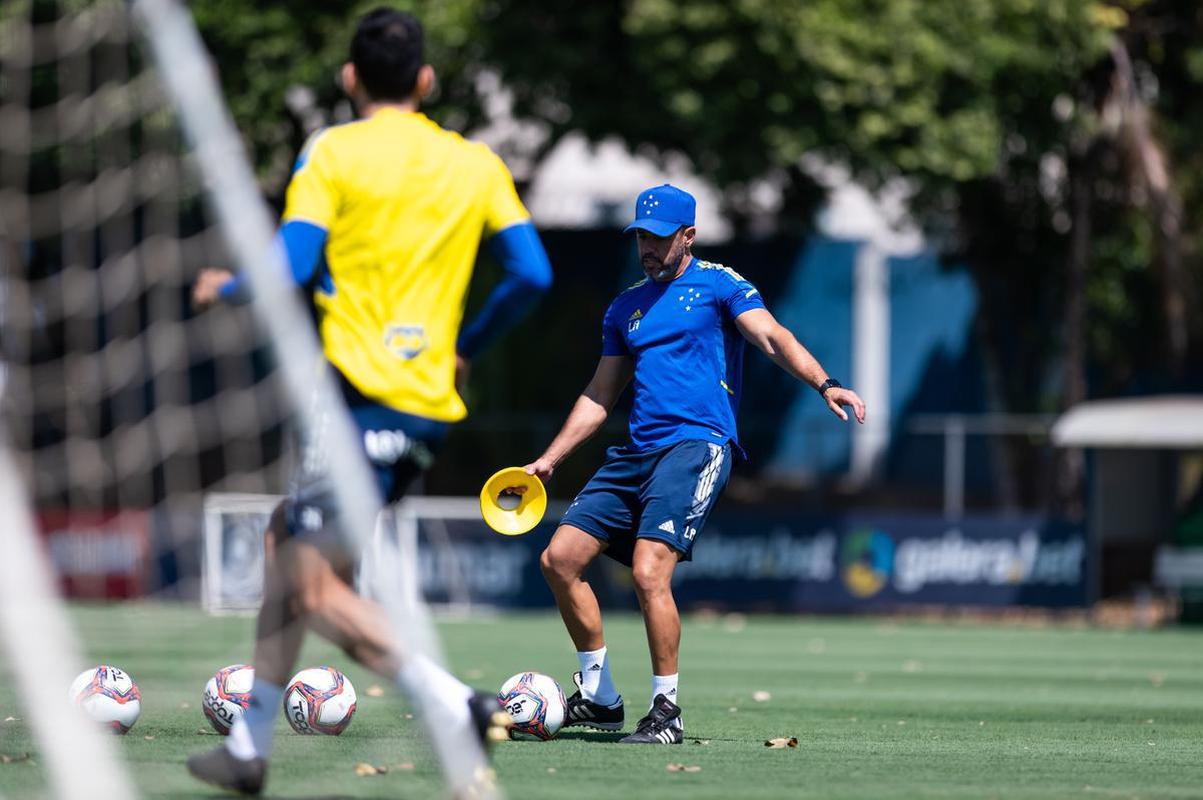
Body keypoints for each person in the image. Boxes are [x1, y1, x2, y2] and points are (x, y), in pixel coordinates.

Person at [187, 8, 552, 793]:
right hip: (422, 408)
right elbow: (532, 274)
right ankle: (250, 746)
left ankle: (454, 704)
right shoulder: (475, 162)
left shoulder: (333, 152)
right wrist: (466, 348)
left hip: (359, 405)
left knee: (315, 588)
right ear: (425, 80)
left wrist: (229, 286)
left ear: (349, 78)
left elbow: (287, 268)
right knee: (290, 545)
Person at [524, 184, 865, 745]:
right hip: (635, 454)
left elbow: (772, 338)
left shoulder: (720, 284)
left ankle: (666, 713)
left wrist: (824, 383)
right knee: (559, 559)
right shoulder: (624, 307)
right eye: (641, 240)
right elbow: (600, 393)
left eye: (659, 240)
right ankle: (601, 697)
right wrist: (550, 458)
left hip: (696, 445)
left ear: (689, 236)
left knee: (648, 570)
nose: (649, 250)